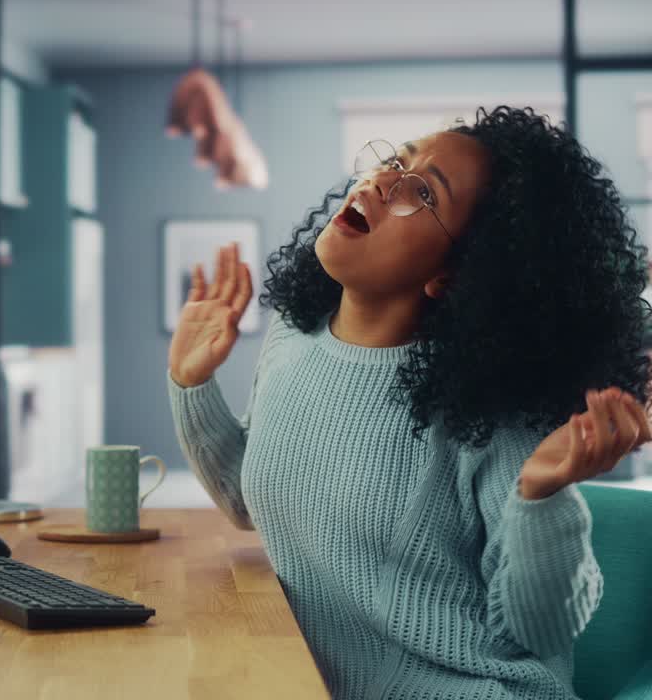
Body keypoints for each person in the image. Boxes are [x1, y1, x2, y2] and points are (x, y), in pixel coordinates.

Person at [167, 105, 652, 699]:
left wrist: (542, 496)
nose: (383, 180)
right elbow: (253, 500)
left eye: (422, 193)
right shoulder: (294, 337)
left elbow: (537, 630)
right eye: (396, 160)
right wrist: (192, 385)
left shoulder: (489, 412)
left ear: (455, 276)